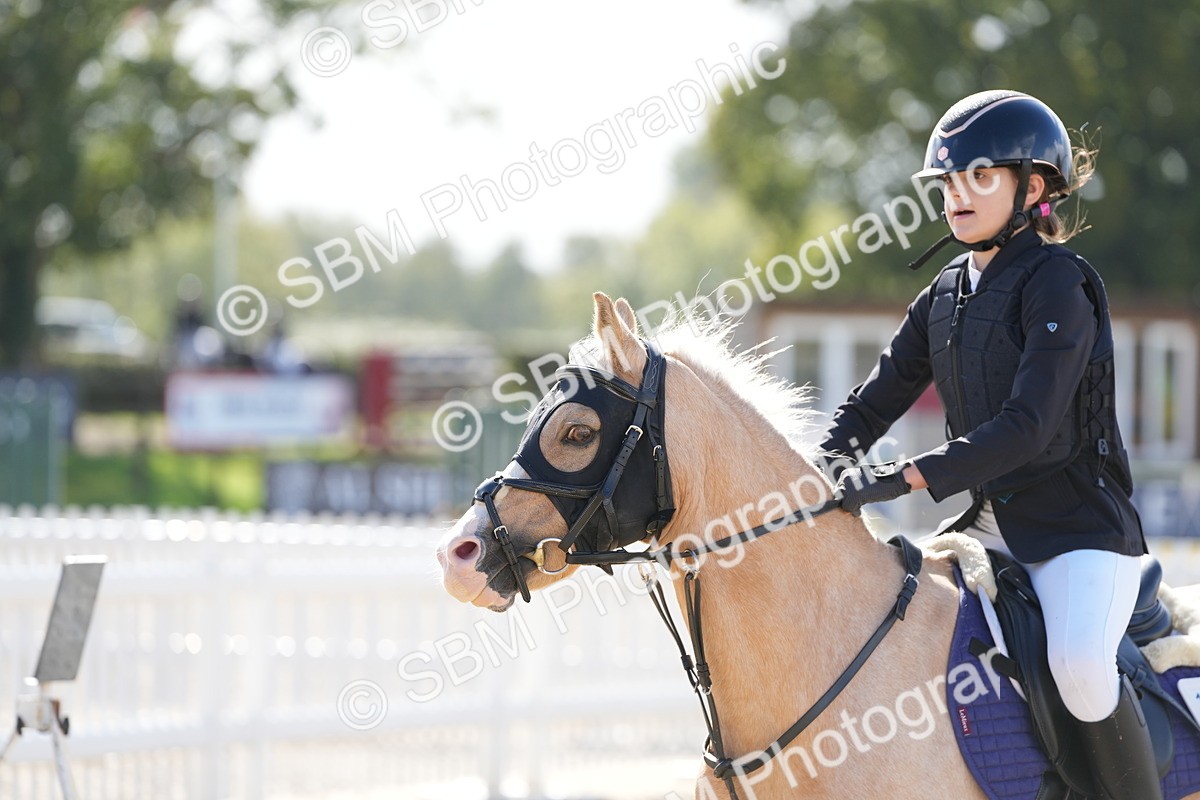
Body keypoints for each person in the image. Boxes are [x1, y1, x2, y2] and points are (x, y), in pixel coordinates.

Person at [817, 90, 1158, 799]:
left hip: (1079, 535)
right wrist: (819, 468)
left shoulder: (1060, 283)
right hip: (986, 531)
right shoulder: (943, 293)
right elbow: (872, 401)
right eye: (948, 181)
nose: (957, 195)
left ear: (1031, 189)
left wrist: (903, 477)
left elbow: (1027, 427)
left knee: (1079, 668)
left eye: (978, 176)